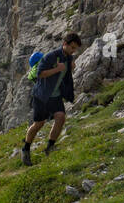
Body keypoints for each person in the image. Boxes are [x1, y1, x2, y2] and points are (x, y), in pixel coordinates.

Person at [21, 33, 82, 166]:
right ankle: (25, 149)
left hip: (55, 95)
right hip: (42, 96)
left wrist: (70, 69)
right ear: (64, 44)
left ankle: (50, 147)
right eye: (72, 47)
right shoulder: (51, 56)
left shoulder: (68, 57)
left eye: (75, 49)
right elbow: (40, 73)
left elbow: (63, 75)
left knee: (60, 117)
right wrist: (57, 69)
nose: (73, 50)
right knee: (39, 124)